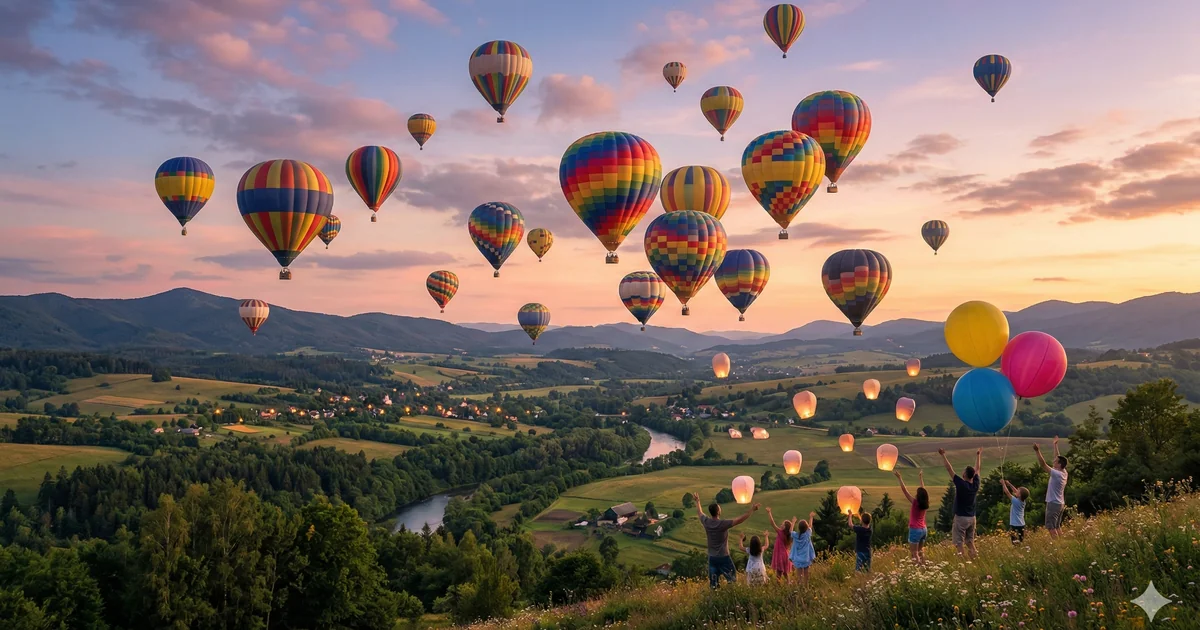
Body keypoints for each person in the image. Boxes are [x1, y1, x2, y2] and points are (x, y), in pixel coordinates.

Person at [692, 492, 759, 588]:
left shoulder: (706, 522)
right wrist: (752, 510)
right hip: (724, 557)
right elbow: (740, 520)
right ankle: (731, 598)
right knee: (732, 579)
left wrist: (697, 501)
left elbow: (699, 512)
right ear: (718, 512)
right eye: (719, 508)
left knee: (713, 584)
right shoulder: (722, 524)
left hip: (712, 557)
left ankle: (714, 600)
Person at [939, 447, 982, 559]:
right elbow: (978, 469)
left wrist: (943, 455)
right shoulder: (975, 485)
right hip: (972, 518)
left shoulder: (961, 484)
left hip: (961, 518)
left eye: (963, 471)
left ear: (964, 475)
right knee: (970, 542)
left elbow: (949, 469)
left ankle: (962, 563)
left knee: (959, 543)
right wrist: (978, 455)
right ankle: (975, 559)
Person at [1034, 436, 1069, 538]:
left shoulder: (1057, 474)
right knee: (1057, 526)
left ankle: (1057, 547)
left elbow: (1043, 464)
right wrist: (1055, 445)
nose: (1053, 461)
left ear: (1059, 465)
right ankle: (1061, 543)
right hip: (1060, 503)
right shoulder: (1064, 472)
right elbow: (1058, 457)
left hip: (1053, 503)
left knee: (1051, 527)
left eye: (1055, 461)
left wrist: (1037, 451)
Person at [894, 469, 929, 565]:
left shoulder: (915, 503)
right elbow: (924, 490)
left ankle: (917, 569)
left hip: (915, 530)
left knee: (914, 553)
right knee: (921, 551)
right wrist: (921, 477)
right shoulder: (925, 503)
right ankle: (924, 566)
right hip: (924, 529)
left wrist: (900, 478)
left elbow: (904, 491)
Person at [789, 512, 816, 585]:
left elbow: (790, 531)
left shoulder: (796, 536)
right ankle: (806, 585)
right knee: (806, 572)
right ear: (806, 528)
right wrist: (811, 517)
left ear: (799, 528)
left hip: (798, 558)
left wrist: (793, 522)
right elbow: (810, 526)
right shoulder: (807, 535)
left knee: (799, 574)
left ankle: (799, 585)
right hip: (806, 558)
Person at [766, 506, 792, 581]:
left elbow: (772, 523)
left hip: (780, 555)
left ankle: (779, 587)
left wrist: (769, 513)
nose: (781, 525)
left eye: (782, 525)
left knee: (778, 574)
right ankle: (788, 583)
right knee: (785, 573)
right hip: (786, 556)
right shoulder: (788, 536)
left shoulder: (780, 533)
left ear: (785, 528)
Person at [1000, 478, 1029, 544]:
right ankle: (1020, 550)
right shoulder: (1023, 501)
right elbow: (1016, 491)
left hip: (1015, 525)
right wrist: (1009, 484)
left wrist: (1003, 484)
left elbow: (1007, 493)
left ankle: (1017, 551)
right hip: (1021, 524)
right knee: (1020, 541)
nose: (1016, 491)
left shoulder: (1016, 501)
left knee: (1014, 542)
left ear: (1020, 495)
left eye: (1018, 491)